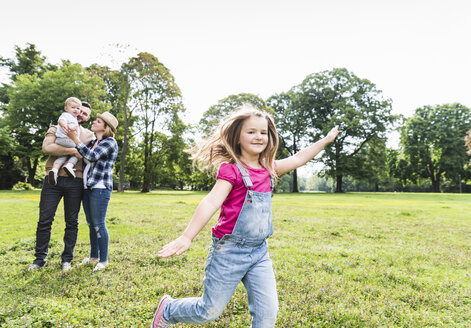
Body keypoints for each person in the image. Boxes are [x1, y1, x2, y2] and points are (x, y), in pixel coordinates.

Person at [151, 104, 339, 328]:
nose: (259, 136)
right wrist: (186, 237)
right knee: (208, 311)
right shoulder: (231, 171)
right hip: (229, 252)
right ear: (238, 137)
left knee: (267, 314)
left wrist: (325, 140)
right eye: (251, 132)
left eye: (263, 132)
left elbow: (299, 158)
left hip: (259, 252)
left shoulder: (269, 169)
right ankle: (169, 309)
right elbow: (211, 201)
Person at [28, 102, 94, 271]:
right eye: (79, 110)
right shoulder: (56, 127)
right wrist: (73, 151)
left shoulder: (89, 135)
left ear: (87, 117)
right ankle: (39, 260)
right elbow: (47, 147)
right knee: (44, 220)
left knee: (71, 222)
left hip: (75, 181)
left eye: (84, 113)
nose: (80, 114)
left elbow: (94, 155)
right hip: (53, 180)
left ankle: (67, 260)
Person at [66, 111, 119, 272]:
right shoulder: (93, 141)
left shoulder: (110, 142)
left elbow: (92, 156)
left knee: (99, 224)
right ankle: (93, 257)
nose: (94, 123)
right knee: (90, 224)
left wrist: (75, 139)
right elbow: (82, 154)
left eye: (98, 121)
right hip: (88, 186)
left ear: (105, 127)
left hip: (100, 187)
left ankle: (103, 261)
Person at [48, 97, 82, 185]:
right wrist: (66, 126)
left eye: (78, 108)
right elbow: (61, 121)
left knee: (63, 156)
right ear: (66, 108)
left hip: (62, 141)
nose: (76, 110)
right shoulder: (66, 115)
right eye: (73, 107)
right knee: (79, 151)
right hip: (66, 139)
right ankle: (69, 165)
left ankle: (54, 170)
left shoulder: (74, 118)